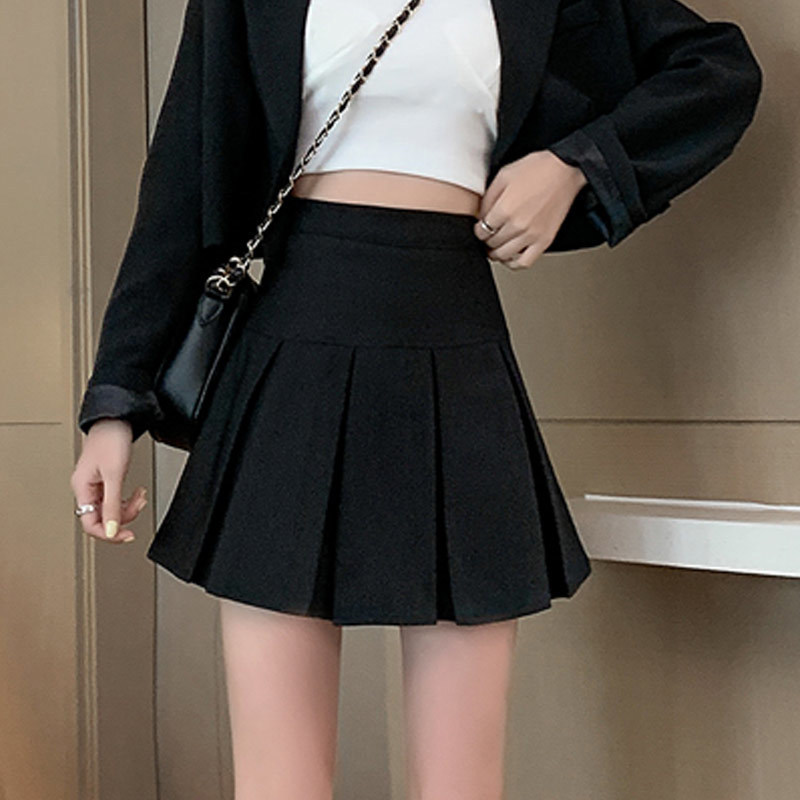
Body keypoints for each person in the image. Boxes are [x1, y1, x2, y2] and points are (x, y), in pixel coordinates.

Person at [70, 0, 762, 797]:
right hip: (292, 347)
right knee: (279, 783)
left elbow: (717, 70)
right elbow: (179, 183)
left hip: (455, 346)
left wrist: (576, 164)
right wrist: (114, 405)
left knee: (463, 783)